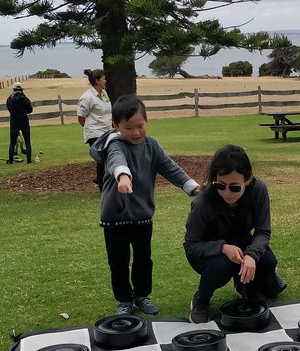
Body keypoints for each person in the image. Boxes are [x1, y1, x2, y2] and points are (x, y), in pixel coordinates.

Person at [94, 95, 201, 316]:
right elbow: (116, 160)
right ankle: (124, 300)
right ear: (116, 126)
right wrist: (123, 176)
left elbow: (170, 167)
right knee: (119, 262)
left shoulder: (151, 145)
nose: (135, 133)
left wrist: (193, 187)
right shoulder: (115, 144)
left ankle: (142, 296)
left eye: (140, 126)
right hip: (115, 218)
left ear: (146, 121)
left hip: (142, 216)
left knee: (144, 259)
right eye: (128, 128)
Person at [184, 144, 285, 324]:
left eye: (235, 187)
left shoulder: (258, 190)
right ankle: (201, 300)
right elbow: (191, 244)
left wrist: (252, 255)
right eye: (220, 185)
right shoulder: (203, 202)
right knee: (223, 266)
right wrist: (222, 247)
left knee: (268, 261)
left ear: (247, 180)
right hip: (206, 252)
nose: (227, 192)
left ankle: (245, 285)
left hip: (242, 243)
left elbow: (263, 231)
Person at [77, 68, 112, 184]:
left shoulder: (104, 93)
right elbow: (81, 117)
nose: (106, 81)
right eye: (104, 79)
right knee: (102, 159)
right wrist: (89, 128)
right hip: (95, 133)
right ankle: (103, 185)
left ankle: (102, 180)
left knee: (108, 158)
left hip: (107, 131)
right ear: (97, 81)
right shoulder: (87, 97)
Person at [6, 82, 34, 164]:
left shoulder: (9, 99)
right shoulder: (25, 98)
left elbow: (9, 109)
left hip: (14, 122)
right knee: (27, 142)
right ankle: (29, 160)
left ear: (13, 89)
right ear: (22, 89)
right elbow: (30, 110)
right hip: (24, 121)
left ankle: (11, 161)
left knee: (12, 142)